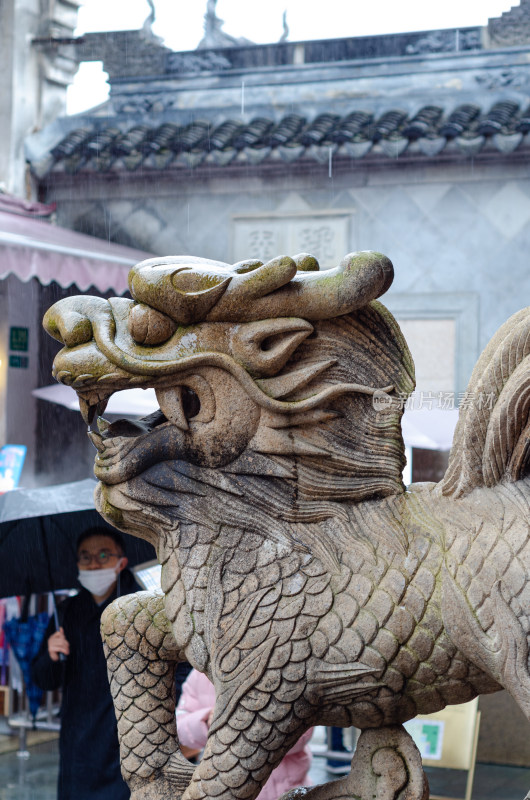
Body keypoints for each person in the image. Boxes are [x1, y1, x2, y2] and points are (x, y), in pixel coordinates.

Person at [32, 527, 142, 800]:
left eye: (103, 555)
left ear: (121, 562)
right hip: (77, 739)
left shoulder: (141, 608)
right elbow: (43, 679)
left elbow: (179, 670)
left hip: (129, 736)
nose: (93, 563)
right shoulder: (66, 612)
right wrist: (51, 655)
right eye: (85, 557)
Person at [176, 669, 313, 800]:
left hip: (282, 787)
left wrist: (260, 729)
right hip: (221, 787)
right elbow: (181, 725)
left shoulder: (283, 670)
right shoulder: (200, 675)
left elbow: (304, 732)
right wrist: (206, 721)